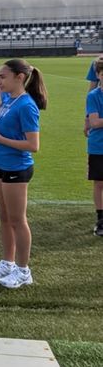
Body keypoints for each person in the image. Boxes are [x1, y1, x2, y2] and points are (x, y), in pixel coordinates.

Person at [0, 58, 48, 290]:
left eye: (2, 77)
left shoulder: (26, 105)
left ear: (19, 78)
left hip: (16, 168)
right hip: (0, 165)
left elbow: (33, 145)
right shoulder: (9, 99)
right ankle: (7, 263)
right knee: (5, 218)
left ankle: (23, 270)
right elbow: (5, 127)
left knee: (18, 220)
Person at [85, 58, 103, 237]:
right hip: (98, 145)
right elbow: (95, 122)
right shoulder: (94, 96)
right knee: (99, 182)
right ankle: (101, 218)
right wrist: (89, 122)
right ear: (98, 75)